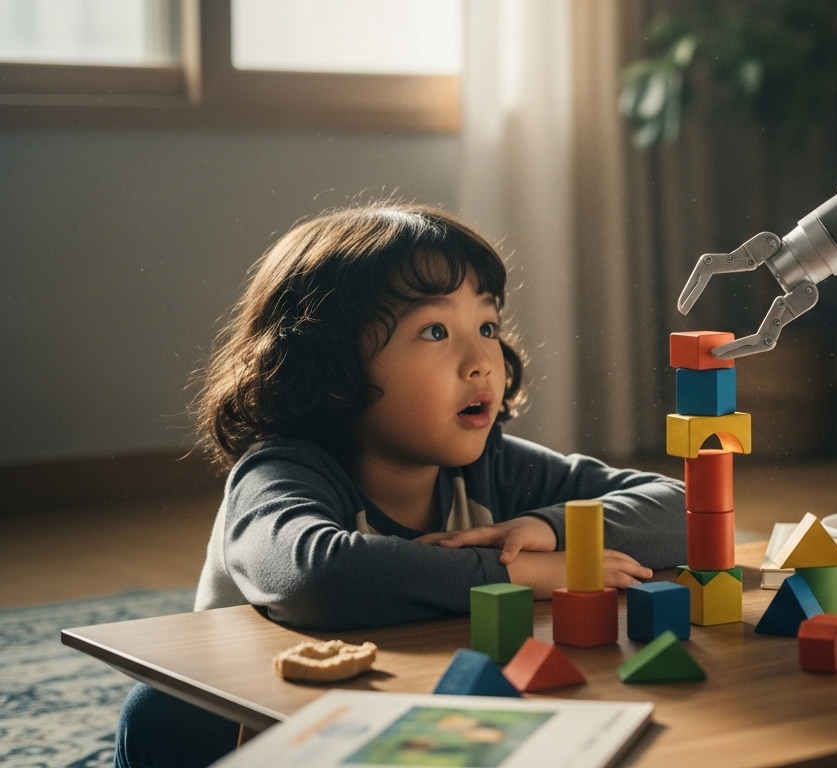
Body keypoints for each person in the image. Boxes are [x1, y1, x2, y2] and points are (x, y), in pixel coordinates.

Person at [115, 204, 685, 767]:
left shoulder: (492, 466)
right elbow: (318, 577)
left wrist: (545, 528)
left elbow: (681, 510)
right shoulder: (281, 472)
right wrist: (514, 573)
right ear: (333, 366)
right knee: (162, 709)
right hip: (261, 735)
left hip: (405, 724)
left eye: (487, 326)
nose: (481, 360)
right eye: (435, 330)